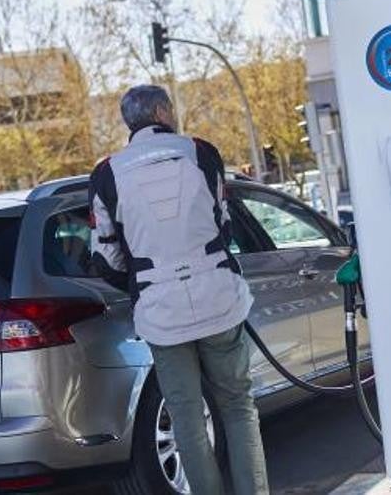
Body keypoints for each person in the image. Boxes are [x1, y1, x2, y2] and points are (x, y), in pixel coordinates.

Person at [88, 84, 268, 495]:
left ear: (129, 122)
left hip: (160, 311)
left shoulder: (106, 174)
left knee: (186, 418)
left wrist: (142, 283)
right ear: (163, 112)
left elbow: (106, 259)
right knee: (238, 407)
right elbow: (223, 225)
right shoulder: (201, 153)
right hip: (218, 298)